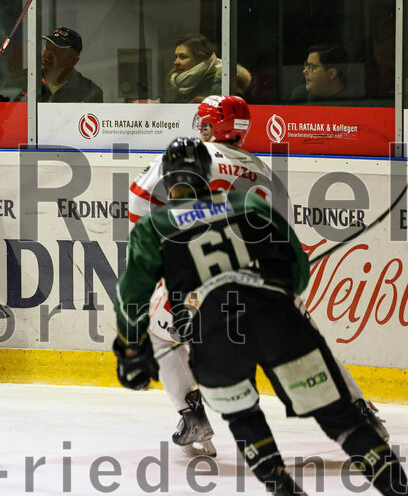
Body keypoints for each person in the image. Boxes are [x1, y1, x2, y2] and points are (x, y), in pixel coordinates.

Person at [113, 137, 408, 496]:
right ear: (208, 174)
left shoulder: (156, 224)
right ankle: (398, 488)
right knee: (339, 419)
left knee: (242, 415)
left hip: (216, 334)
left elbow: (132, 297)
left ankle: (271, 478)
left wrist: (131, 352)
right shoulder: (249, 203)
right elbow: (298, 270)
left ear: (167, 182)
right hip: (276, 320)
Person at [127, 95, 386, 455]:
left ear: (205, 126)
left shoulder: (190, 157)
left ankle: (192, 414)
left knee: (157, 334)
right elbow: (284, 238)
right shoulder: (265, 172)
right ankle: (361, 413)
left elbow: (138, 201)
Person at [34, 27, 103, 103]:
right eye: (48, 47)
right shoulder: (25, 82)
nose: (47, 55)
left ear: (73, 61)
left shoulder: (91, 93)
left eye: (57, 51)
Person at [290, 43, 365, 104]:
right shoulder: (301, 95)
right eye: (306, 65)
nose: (304, 71)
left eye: (312, 67)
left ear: (332, 74)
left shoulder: (357, 99)